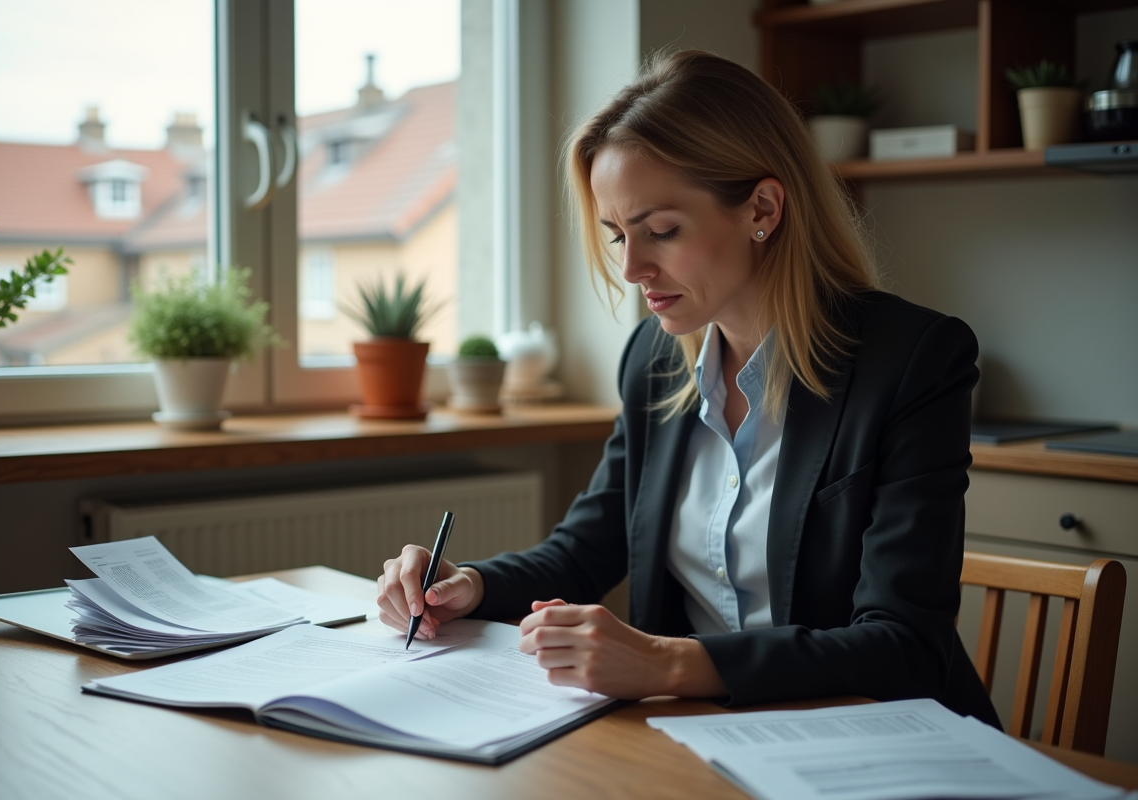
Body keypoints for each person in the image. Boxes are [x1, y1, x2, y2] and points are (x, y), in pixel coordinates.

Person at [377, 50, 1000, 726]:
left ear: (762, 207)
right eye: (616, 236)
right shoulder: (655, 359)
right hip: (707, 738)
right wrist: (466, 584)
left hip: (873, 741)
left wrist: (664, 662)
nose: (630, 268)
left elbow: (903, 646)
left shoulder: (912, 361)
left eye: (662, 232)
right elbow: (586, 548)